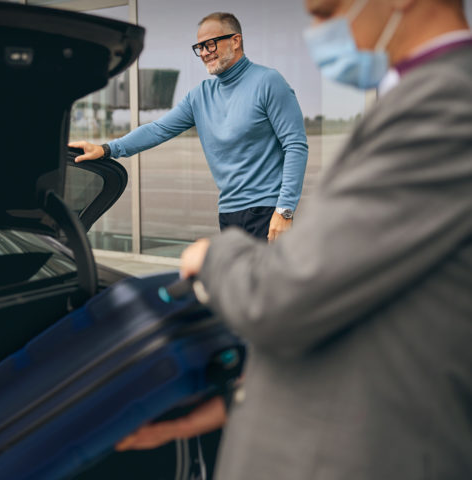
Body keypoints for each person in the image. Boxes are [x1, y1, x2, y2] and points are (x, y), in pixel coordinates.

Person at [117, 0, 472, 479]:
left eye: (325, 11)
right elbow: (360, 299)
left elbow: (281, 296)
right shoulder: (414, 95)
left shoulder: (445, 102)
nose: (316, 30)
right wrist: (111, 148)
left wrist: (216, 255)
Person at [69, 12, 308, 243]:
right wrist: (107, 149)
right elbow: (158, 129)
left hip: (266, 210)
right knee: (238, 284)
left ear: (235, 41)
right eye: (200, 47)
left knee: (268, 284)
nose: (204, 53)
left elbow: (295, 145)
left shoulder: (268, 82)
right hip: (228, 212)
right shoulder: (200, 95)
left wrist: (284, 210)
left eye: (210, 44)